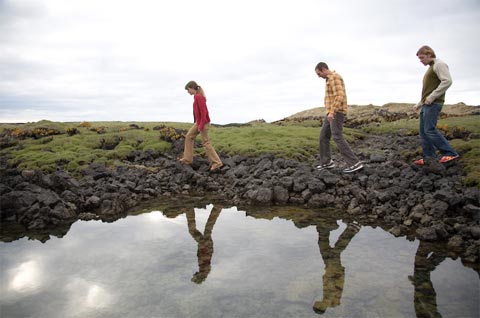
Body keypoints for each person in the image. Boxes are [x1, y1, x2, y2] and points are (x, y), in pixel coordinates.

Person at [412, 45, 460, 165]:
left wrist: (432, 97)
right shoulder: (431, 67)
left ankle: (450, 153)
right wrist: (419, 104)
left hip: (433, 103)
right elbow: (428, 90)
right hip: (426, 104)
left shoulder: (439, 64)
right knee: (423, 132)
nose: (421, 61)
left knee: (430, 130)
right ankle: (429, 158)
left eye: (422, 57)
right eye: (419, 59)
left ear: (429, 54)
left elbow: (447, 81)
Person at [314, 62, 363, 173]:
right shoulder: (329, 79)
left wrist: (332, 112)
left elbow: (339, 95)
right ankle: (326, 162)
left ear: (323, 69)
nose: (318, 76)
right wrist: (329, 112)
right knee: (323, 136)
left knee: (337, 136)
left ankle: (354, 163)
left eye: (318, 73)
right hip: (330, 112)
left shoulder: (334, 78)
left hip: (336, 112)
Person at [179, 80, 223, 172]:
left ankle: (217, 162)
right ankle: (187, 159)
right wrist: (197, 123)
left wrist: (201, 125)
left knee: (206, 142)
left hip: (204, 123)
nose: (188, 92)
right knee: (189, 136)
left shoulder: (199, 97)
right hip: (199, 122)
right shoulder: (196, 96)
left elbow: (204, 112)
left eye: (188, 90)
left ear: (191, 88)